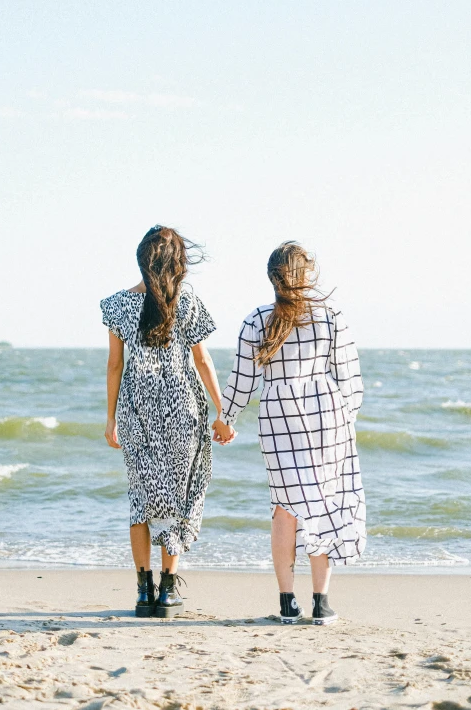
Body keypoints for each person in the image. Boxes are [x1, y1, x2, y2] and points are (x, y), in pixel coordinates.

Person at [213, 241, 365, 625]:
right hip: (326, 413)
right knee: (324, 502)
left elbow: (242, 382)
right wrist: (347, 420)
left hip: (277, 416)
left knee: (284, 507)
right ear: (306, 274)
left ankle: (286, 602)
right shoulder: (330, 316)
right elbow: (350, 379)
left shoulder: (255, 320)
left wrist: (226, 418)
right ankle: (321, 602)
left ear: (272, 277)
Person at [101, 225, 228, 618]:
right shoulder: (187, 303)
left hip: (136, 410)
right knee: (178, 497)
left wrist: (110, 419)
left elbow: (115, 366)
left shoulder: (118, 305)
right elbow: (203, 362)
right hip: (182, 411)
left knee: (140, 499)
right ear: (177, 263)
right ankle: (168, 592)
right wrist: (223, 411)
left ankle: (143, 592)